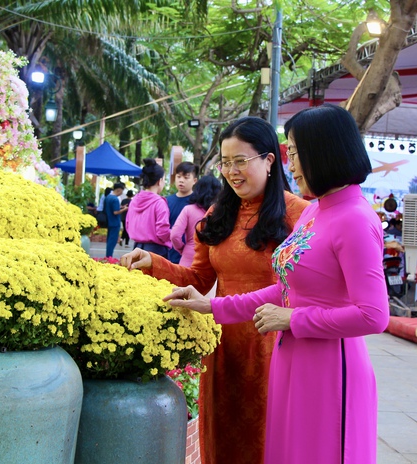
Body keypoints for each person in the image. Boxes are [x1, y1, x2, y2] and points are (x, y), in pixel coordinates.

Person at [163, 104, 389, 464]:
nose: (292, 164)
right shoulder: (317, 212)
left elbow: (374, 315)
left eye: (295, 152)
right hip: (293, 357)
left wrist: (292, 319)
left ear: (324, 150)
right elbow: (287, 287)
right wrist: (213, 305)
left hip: (329, 366)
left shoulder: (355, 219)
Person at [120, 117, 309, 464]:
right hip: (223, 345)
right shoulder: (217, 213)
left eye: (241, 161)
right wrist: (152, 261)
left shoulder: (300, 216)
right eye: (225, 162)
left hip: (277, 345)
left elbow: (309, 289)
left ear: (269, 160)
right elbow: (198, 278)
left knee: (271, 442)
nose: (231, 171)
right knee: (222, 440)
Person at [170, 175, 221, 267]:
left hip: (188, 259)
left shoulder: (188, 210)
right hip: (211, 261)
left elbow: (175, 235)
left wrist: (182, 249)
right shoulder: (219, 213)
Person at [125, 159, 171, 257]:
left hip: (136, 248)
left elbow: (128, 224)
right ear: (159, 181)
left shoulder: (134, 200)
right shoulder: (159, 203)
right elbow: (162, 232)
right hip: (156, 251)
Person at [167, 162, 198, 263]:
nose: (181, 180)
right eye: (178, 176)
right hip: (167, 253)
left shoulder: (197, 203)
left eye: (186, 177)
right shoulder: (166, 201)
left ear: (194, 180)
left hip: (190, 257)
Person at [104, 182, 128, 258]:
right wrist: (125, 209)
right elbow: (115, 212)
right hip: (115, 222)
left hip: (109, 221)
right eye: (121, 191)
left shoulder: (108, 197)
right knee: (112, 241)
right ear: (119, 190)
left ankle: (108, 256)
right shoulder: (115, 199)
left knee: (109, 240)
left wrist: (121, 207)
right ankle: (109, 257)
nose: (121, 193)